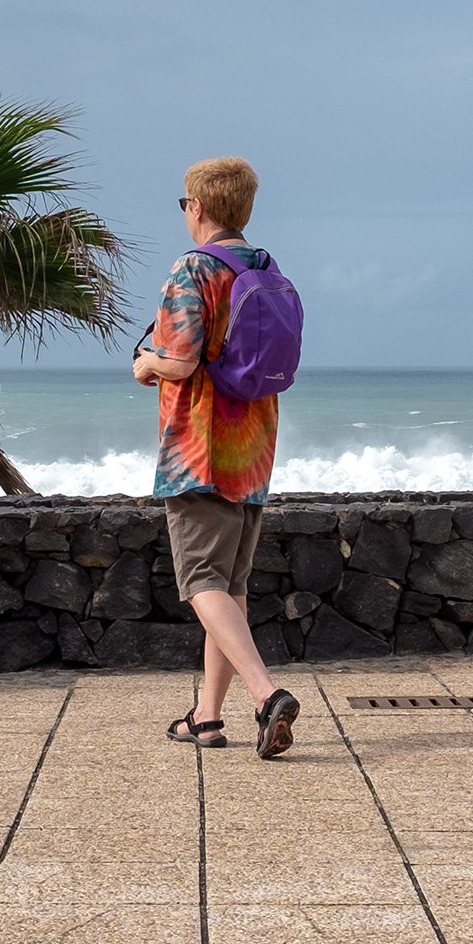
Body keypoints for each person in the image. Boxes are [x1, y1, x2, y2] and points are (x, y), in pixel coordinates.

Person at [133, 156, 301, 758]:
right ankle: (206, 717)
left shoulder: (192, 270)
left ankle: (265, 694)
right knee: (230, 585)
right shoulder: (264, 267)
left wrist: (146, 362)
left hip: (199, 446)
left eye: (184, 204)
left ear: (197, 208)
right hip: (253, 445)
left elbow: (178, 362)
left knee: (202, 580)